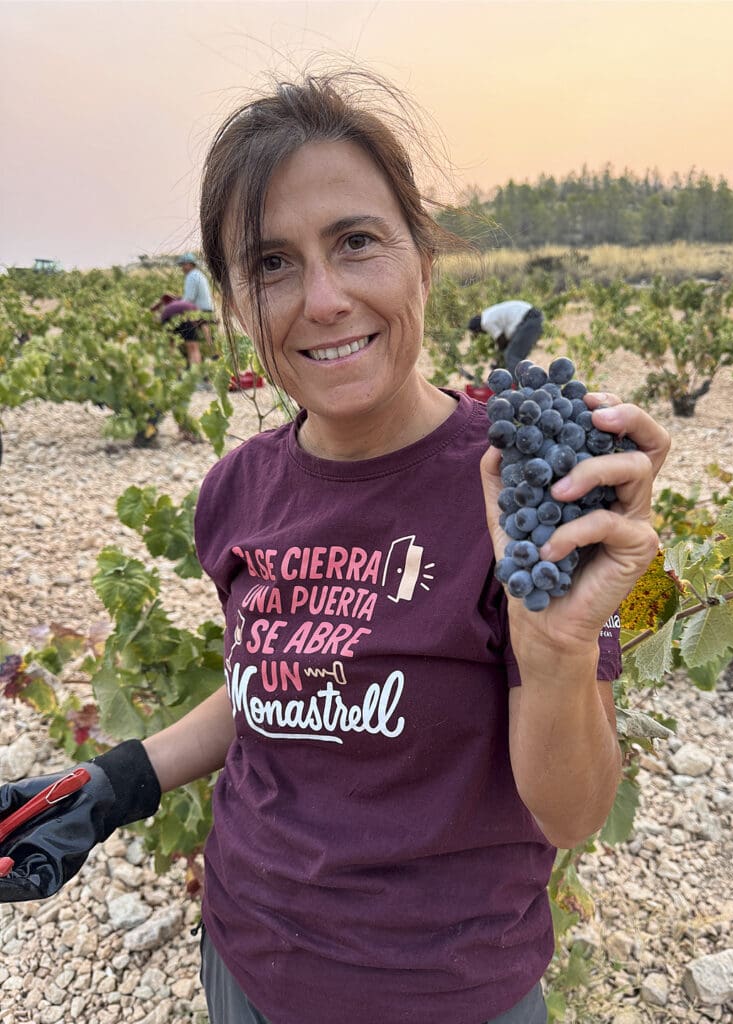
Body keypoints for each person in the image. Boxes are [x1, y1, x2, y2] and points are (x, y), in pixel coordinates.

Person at [0, 70, 670, 1024]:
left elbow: (573, 814)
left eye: (356, 242)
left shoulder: (520, 485)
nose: (322, 299)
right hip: (244, 958)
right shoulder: (236, 490)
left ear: (421, 259)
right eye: (272, 263)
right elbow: (283, 678)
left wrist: (555, 648)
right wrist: (116, 783)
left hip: (445, 1000)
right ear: (235, 302)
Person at [468, 301, 544, 378]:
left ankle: (520, 383)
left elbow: (501, 340)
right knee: (514, 355)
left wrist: (498, 360)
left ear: (478, 328)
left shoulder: (485, 322)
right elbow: (506, 341)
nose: (482, 334)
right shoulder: (487, 314)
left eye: (478, 332)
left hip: (529, 320)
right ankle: (527, 380)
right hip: (531, 317)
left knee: (511, 356)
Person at [177, 251, 216, 361]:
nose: (182, 268)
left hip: (200, 309)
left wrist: (177, 306)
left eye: (183, 265)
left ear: (190, 264)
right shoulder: (199, 274)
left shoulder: (191, 276)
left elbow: (189, 297)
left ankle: (194, 358)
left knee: (188, 332)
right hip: (207, 308)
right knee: (207, 335)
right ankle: (212, 354)